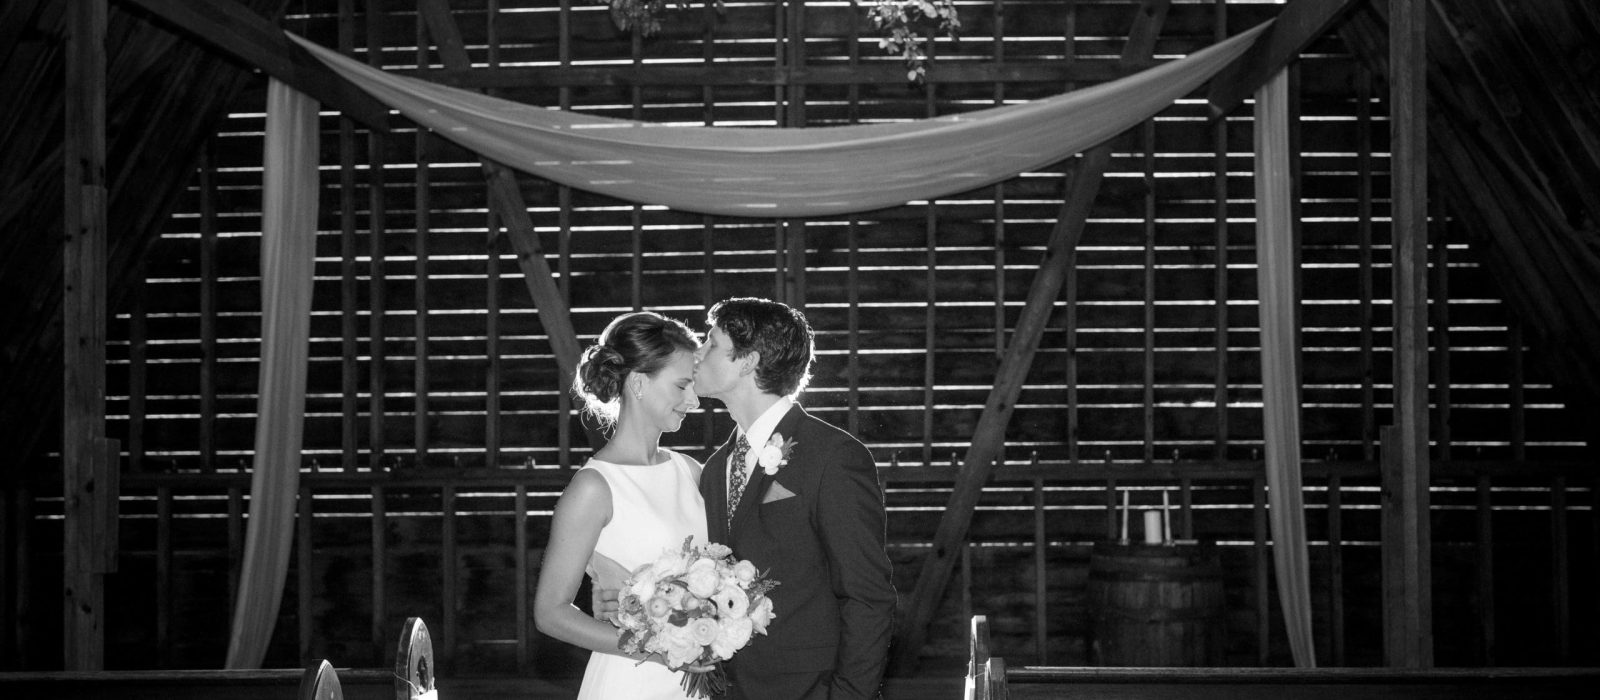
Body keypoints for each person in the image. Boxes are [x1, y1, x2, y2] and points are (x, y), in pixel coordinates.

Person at [691, 298, 896, 699]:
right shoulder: (717, 468)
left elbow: (867, 595)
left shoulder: (832, 455)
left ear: (747, 361)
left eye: (710, 343)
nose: (697, 354)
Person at [533, 311, 707, 700]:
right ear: (640, 383)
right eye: (681, 386)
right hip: (633, 681)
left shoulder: (691, 472)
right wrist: (658, 650)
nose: (693, 401)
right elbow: (550, 613)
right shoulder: (594, 487)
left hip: (696, 684)